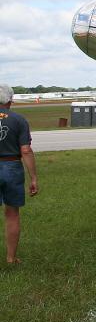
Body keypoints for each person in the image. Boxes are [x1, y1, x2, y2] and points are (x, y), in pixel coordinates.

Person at [0, 84, 38, 264]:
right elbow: (25, 150)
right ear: (10, 100)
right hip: (12, 166)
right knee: (12, 213)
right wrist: (33, 178)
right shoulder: (19, 120)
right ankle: (11, 257)